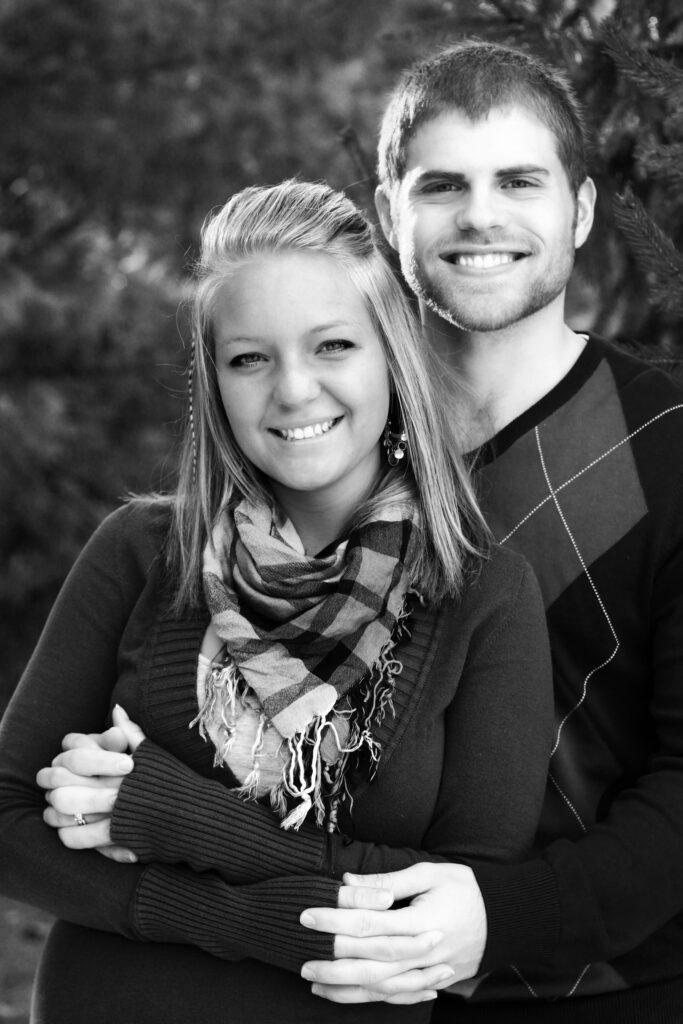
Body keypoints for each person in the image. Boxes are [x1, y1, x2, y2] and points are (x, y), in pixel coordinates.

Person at [0, 179, 553, 1024]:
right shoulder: (144, 553)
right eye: (249, 358)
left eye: (332, 346)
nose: (293, 391)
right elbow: (8, 820)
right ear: (215, 382)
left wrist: (173, 817)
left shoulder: (482, 595)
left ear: (391, 355)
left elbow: (450, 911)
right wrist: (237, 915)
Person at [295, 40, 683, 1023]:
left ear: (580, 209)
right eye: (440, 185)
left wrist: (493, 920)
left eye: (518, 180)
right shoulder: (318, 435)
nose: (479, 216)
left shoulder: (667, 451)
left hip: (611, 992)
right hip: (329, 982)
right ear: (387, 213)